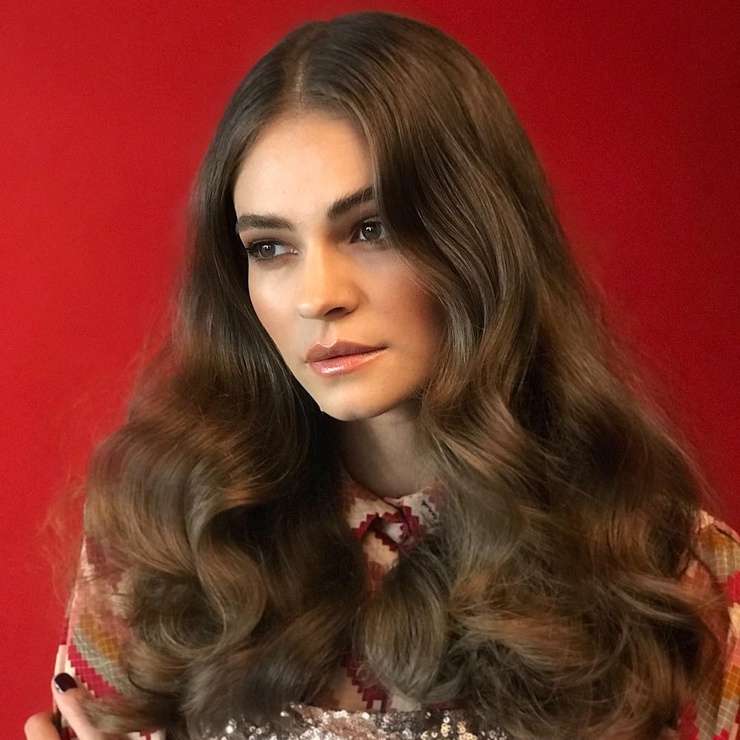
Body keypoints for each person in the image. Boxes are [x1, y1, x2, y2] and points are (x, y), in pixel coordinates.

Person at [25, 11, 740, 740]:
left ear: (481, 236)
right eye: (270, 247)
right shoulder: (167, 541)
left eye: (371, 229)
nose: (317, 296)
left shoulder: (663, 568)